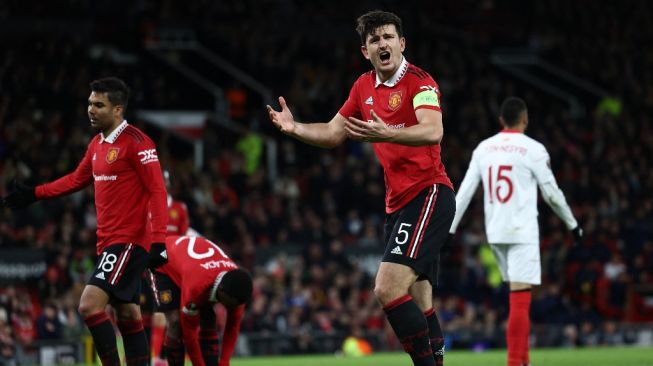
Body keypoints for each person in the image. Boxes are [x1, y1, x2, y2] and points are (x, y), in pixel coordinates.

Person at [266, 10, 454, 366]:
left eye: (387, 37)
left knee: (386, 288)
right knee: (420, 299)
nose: (382, 44)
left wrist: (389, 132)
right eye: (374, 40)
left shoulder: (420, 82)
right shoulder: (363, 87)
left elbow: (434, 130)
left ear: (401, 44)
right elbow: (333, 133)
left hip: (428, 193)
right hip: (397, 204)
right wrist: (295, 129)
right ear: (365, 51)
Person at [2, 77, 168, 366]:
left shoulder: (138, 143)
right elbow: (76, 180)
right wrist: (34, 193)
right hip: (109, 243)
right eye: (90, 103)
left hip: (128, 241)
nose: (91, 109)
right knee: (127, 313)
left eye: (99, 105)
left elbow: (157, 190)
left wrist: (159, 241)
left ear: (117, 109)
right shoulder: (96, 144)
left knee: (89, 306)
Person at [448, 97, 583, 366]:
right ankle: (514, 361)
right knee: (521, 300)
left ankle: (523, 360)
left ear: (501, 121)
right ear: (525, 119)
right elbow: (552, 195)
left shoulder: (483, 149)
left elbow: (463, 193)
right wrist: (572, 224)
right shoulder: (533, 149)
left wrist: (449, 228)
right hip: (522, 232)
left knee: (515, 297)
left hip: (496, 232)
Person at [150, 235, 253, 366]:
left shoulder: (238, 290)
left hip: (193, 268)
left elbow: (232, 327)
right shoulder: (197, 287)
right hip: (164, 262)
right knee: (176, 323)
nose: (232, 308)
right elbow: (190, 333)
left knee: (209, 319)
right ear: (220, 290)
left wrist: (224, 362)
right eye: (230, 304)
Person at [140, 169, 190, 365]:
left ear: (168, 184)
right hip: (150, 265)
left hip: (172, 266)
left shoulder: (180, 208)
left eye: (164, 181)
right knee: (146, 314)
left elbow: (184, 237)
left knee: (165, 315)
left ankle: (159, 358)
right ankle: (151, 357)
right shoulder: (147, 206)